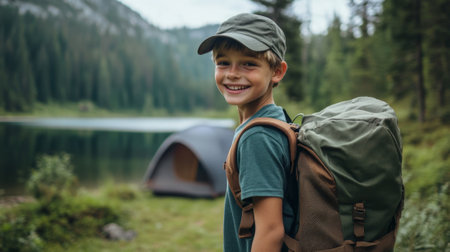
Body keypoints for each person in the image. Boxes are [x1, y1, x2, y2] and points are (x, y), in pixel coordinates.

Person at [197, 13, 296, 252]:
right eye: (223, 63)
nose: (232, 73)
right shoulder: (275, 119)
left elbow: (271, 232)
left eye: (249, 63)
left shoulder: (257, 137)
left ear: (277, 72)